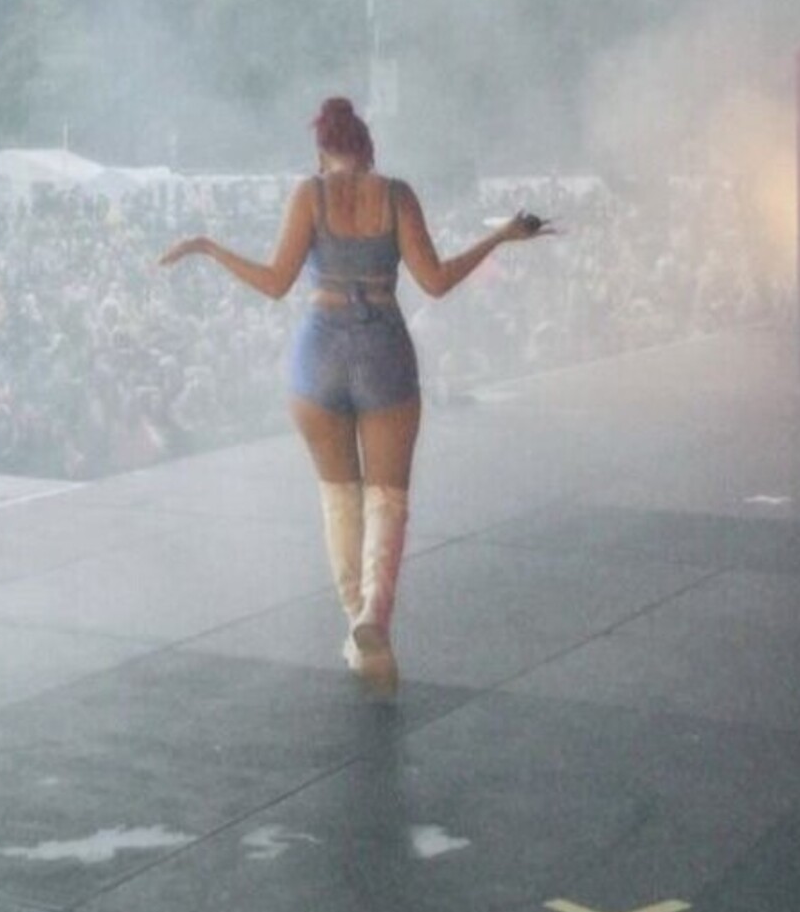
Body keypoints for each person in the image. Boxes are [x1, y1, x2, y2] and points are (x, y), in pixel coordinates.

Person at [158, 97, 550, 693]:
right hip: (383, 348)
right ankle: (373, 617)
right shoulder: (396, 195)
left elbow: (275, 283)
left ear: (322, 152)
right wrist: (499, 236)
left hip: (318, 351)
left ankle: (360, 632)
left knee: (339, 498)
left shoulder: (309, 195)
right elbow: (435, 282)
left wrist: (209, 247)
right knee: (386, 499)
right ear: (368, 149)